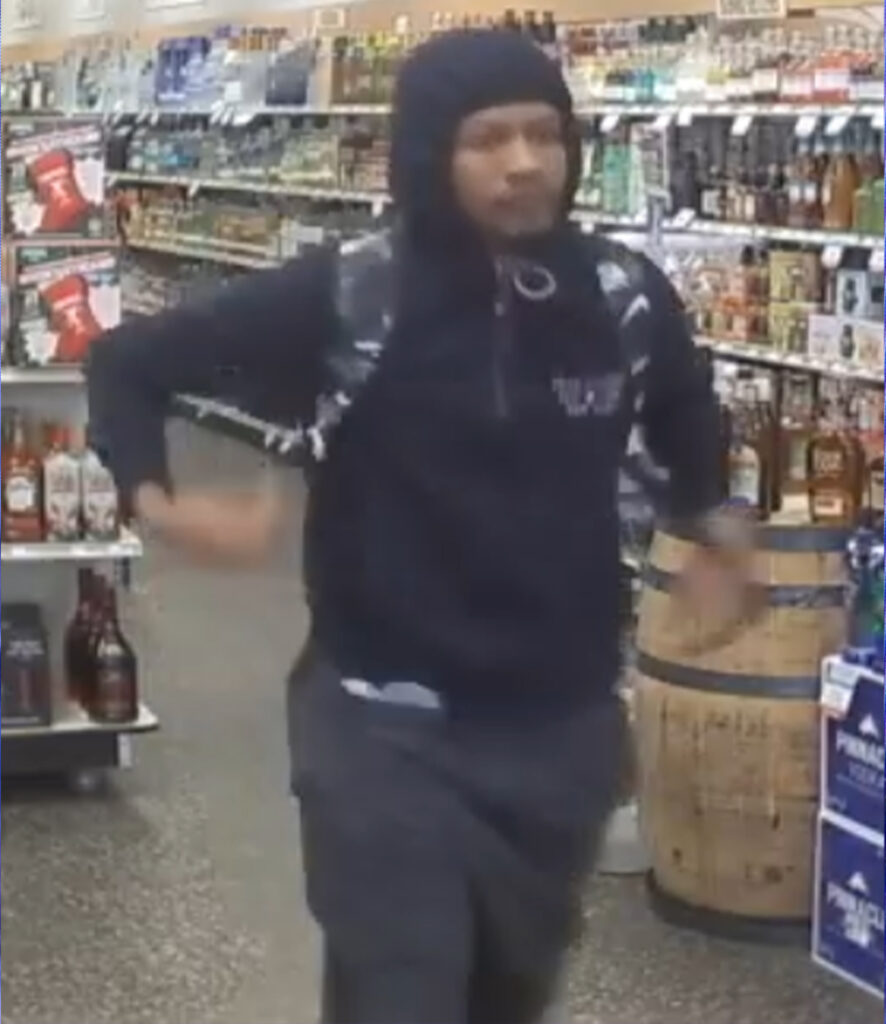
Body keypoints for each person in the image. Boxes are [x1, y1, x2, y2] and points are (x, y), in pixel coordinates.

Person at [87, 28, 755, 1024]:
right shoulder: (354, 291)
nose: (524, 162)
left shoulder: (621, 297)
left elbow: (684, 409)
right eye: (488, 138)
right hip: (380, 722)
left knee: (506, 992)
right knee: (399, 990)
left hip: (559, 728)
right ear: (429, 152)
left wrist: (707, 513)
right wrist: (158, 502)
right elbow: (126, 363)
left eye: (544, 134)